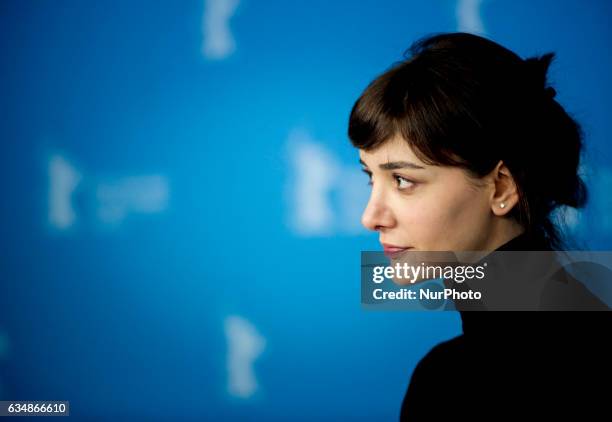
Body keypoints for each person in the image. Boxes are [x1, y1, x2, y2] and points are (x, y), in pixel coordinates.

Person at [347, 32, 610, 419]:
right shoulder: (455, 372)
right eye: (372, 178)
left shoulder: (453, 382)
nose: (370, 218)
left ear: (502, 186)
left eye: (403, 180)